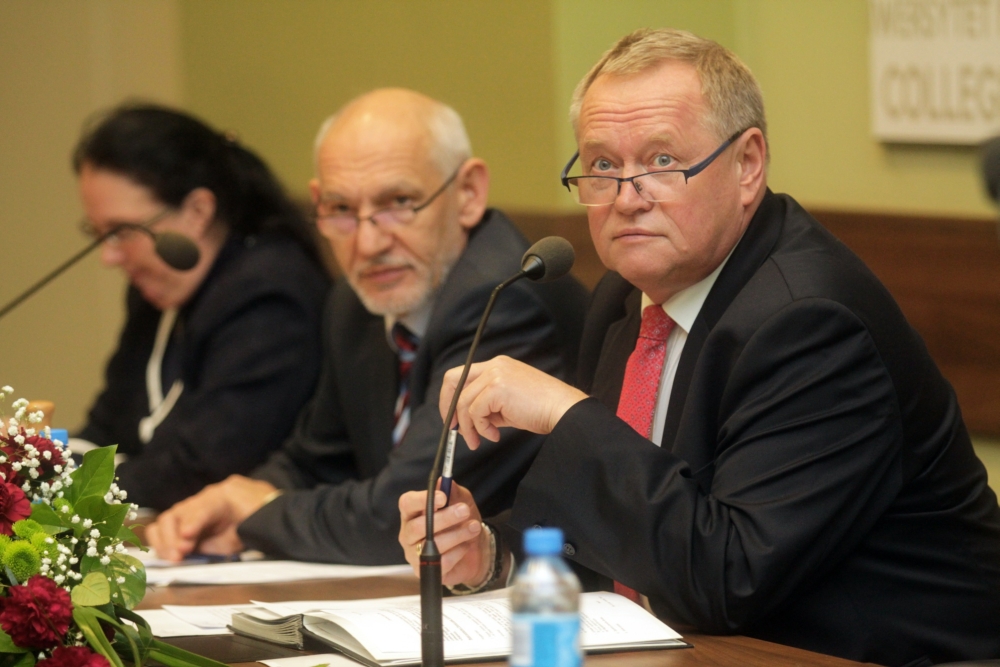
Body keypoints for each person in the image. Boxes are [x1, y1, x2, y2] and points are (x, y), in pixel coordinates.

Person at [398, 29, 1000, 666]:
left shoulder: (812, 323)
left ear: (748, 166)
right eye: (602, 166)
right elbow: (627, 531)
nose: (627, 198)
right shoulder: (624, 299)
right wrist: (490, 553)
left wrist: (567, 414)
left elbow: (726, 580)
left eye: (661, 161)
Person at [145, 89, 588, 565]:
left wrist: (259, 512)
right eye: (340, 210)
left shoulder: (506, 298)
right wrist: (231, 497)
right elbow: (318, 458)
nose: (369, 243)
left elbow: (408, 513)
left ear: (468, 193)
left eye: (399, 201)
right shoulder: (354, 302)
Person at [73, 104, 329, 511]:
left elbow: (200, 470)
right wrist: (32, 469)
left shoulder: (271, 296)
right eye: (98, 233)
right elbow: (106, 428)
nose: (109, 256)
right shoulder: (155, 290)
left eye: (122, 232)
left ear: (198, 212)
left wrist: (65, 492)